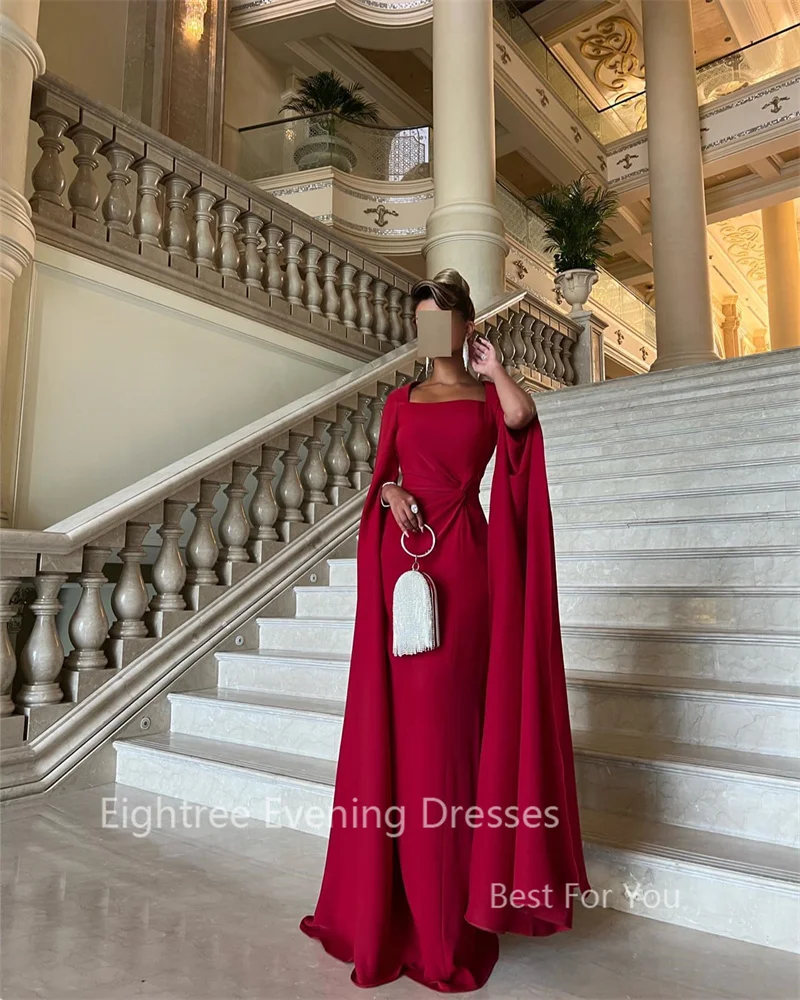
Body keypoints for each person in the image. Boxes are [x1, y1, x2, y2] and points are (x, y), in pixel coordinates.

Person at [300, 269, 589, 992]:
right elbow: (383, 476)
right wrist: (392, 490)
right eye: (423, 321)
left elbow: (522, 429)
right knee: (403, 730)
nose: (435, 333)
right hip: (406, 562)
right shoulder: (399, 400)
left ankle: (453, 915)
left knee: (450, 734)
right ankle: (389, 903)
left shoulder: (488, 395)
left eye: (445, 320)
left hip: (466, 566)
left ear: (462, 326)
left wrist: (501, 372)